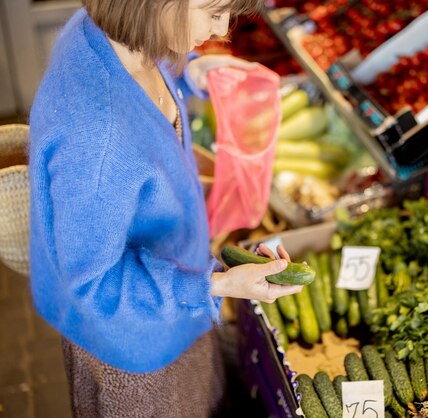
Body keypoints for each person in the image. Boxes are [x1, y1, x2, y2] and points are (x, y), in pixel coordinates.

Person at [28, 0, 302, 416]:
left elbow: (143, 85)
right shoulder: (98, 133)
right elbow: (93, 284)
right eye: (213, 11)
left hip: (173, 305)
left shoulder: (110, 32)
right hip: (137, 349)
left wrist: (189, 73)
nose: (223, 29)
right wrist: (216, 286)